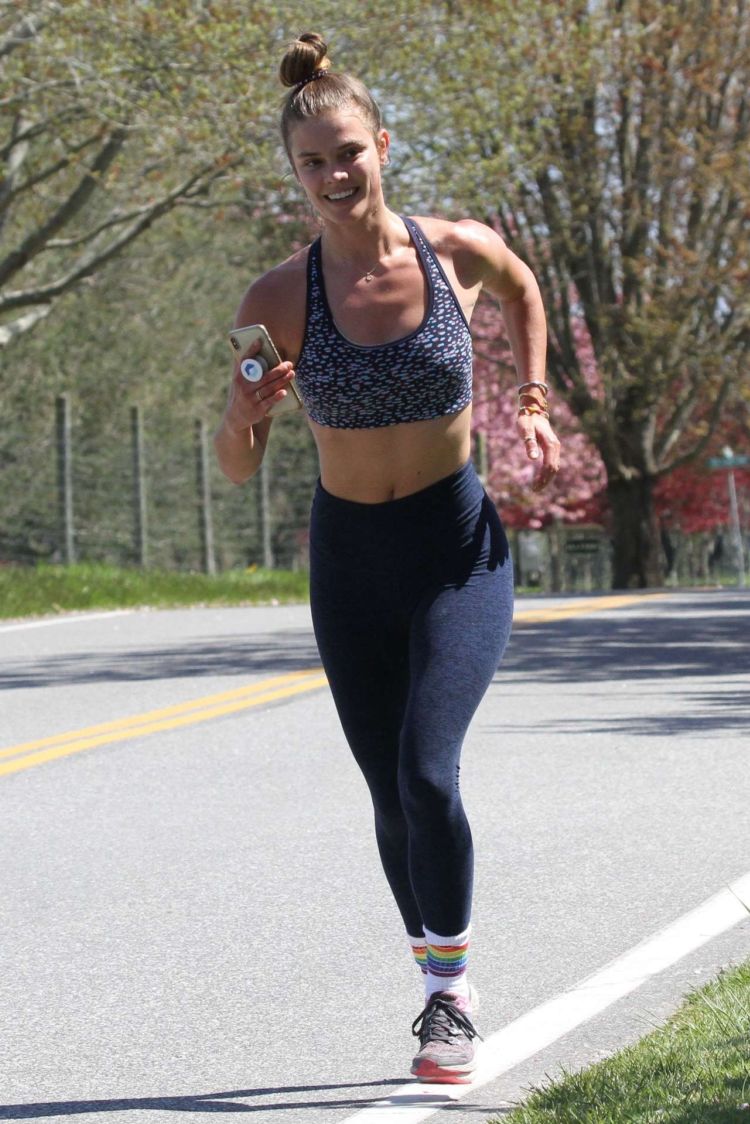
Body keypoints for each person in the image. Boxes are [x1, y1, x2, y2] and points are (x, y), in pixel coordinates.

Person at [214, 32, 560, 1084]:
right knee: (386, 791)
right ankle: (436, 975)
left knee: (426, 767)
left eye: (349, 153)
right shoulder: (275, 302)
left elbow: (525, 291)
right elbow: (236, 465)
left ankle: (449, 1001)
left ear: (383, 145)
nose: (333, 175)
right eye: (312, 163)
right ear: (296, 172)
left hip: (458, 546)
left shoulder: (453, 249)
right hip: (351, 557)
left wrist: (536, 403)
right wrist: (242, 410)